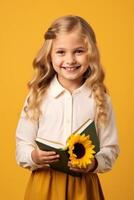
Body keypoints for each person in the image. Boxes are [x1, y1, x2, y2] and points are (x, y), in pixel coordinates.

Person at [16, 15, 119, 200]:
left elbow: (110, 149)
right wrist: (34, 156)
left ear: (91, 53)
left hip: (84, 186)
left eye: (79, 51)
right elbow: (22, 144)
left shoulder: (100, 99)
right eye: (61, 52)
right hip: (43, 185)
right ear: (49, 55)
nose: (70, 60)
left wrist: (94, 163)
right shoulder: (37, 96)